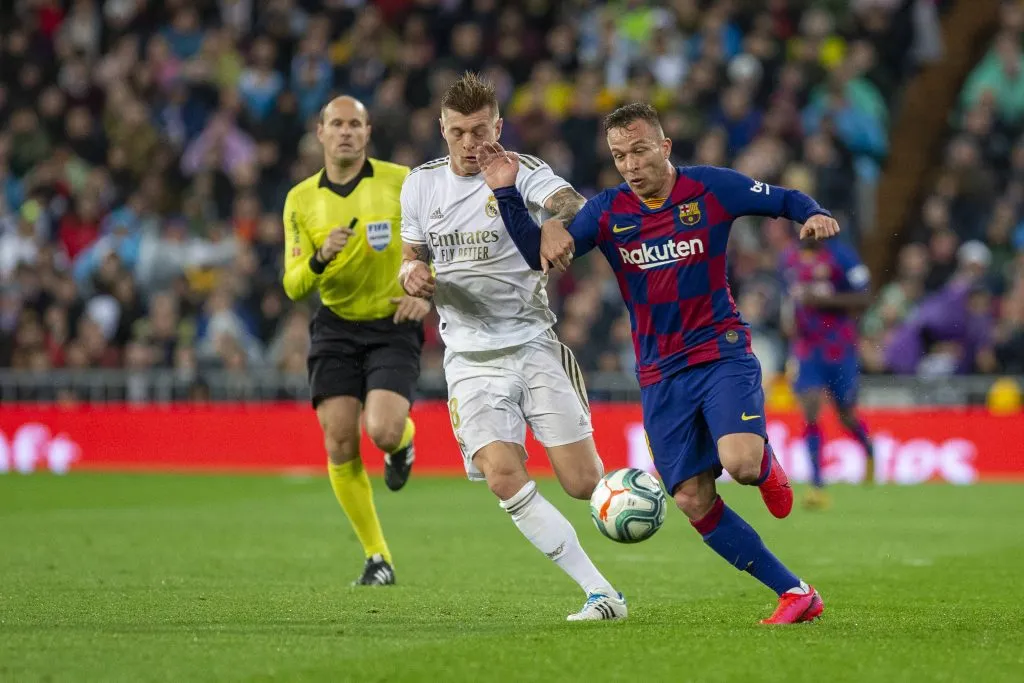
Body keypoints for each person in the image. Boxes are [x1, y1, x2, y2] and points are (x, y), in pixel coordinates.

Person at [481, 102, 839, 625]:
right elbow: (538, 252)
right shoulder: (606, 212)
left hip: (720, 352)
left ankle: (763, 465)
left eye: (640, 149)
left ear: (665, 147)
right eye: (620, 155)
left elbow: (782, 198)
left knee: (739, 462)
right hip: (659, 374)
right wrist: (507, 192)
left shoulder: (710, 189)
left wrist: (812, 213)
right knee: (694, 499)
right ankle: (795, 593)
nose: (630, 163)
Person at [398, 72, 626, 621]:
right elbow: (411, 253)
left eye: (481, 131)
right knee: (502, 475)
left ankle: (644, 490)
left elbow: (575, 203)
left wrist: (553, 221)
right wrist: (410, 273)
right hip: (470, 359)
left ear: (498, 126)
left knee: (583, 484)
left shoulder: (519, 171)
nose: (471, 144)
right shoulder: (419, 186)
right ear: (443, 129)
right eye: (459, 133)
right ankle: (601, 594)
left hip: (533, 345)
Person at [282, 95, 429, 586]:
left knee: (383, 430)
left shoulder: (402, 181)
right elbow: (294, 284)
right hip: (337, 325)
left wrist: (427, 294)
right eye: (336, 124)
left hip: (392, 321)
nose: (346, 132)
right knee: (341, 441)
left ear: (367, 133)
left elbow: (439, 245)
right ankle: (376, 557)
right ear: (320, 132)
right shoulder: (301, 199)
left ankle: (402, 445)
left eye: (355, 124)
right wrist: (320, 257)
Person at [780, 238, 874, 510]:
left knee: (845, 412)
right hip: (807, 349)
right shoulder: (788, 258)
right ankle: (817, 486)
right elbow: (790, 298)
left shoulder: (843, 256)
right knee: (810, 408)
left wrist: (825, 300)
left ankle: (868, 448)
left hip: (840, 348)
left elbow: (864, 297)